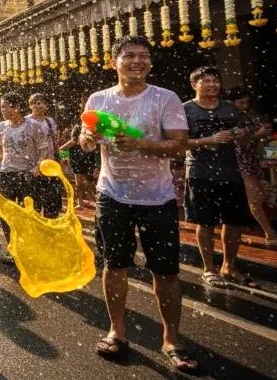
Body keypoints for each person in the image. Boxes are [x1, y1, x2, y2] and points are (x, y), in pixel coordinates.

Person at [79, 35, 198, 373]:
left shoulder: (165, 98)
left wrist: (141, 144)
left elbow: (179, 146)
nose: (137, 62)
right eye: (129, 56)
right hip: (112, 194)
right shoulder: (98, 99)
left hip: (157, 197)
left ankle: (171, 339)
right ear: (113, 61)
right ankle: (117, 330)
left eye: (143, 56)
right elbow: (87, 144)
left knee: (165, 271)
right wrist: (87, 140)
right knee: (115, 265)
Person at [183, 67, 257, 288]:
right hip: (200, 173)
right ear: (194, 85)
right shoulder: (185, 109)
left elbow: (245, 139)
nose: (213, 84)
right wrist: (210, 139)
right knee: (205, 222)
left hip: (230, 173)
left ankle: (229, 265)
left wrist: (242, 136)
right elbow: (178, 143)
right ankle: (208, 268)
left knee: (234, 222)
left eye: (216, 80)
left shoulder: (231, 108)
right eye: (206, 80)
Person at [0, 92, 52, 256]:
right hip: (6, 174)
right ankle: (12, 247)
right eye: (1, 106)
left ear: (16, 108)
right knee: (5, 212)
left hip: (27, 175)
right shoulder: (2, 126)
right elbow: (0, 151)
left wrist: (37, 168)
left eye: (5, 106)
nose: (2, 109)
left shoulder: (33, 126)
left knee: (29, 213)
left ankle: (30, 246)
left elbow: (44, 150)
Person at [226, 87, 277, 248]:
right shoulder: (230, 117)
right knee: (255, 199)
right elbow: (239, 141)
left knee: (258, 197)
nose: (245, 105)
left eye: (247, 102)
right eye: (241, 102)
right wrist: (257, 134)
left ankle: (266, 231)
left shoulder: (243, 115)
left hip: (250, 159)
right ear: (232, 102)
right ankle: (269, 233)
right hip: (240, 161)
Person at [60, 95, 99, 208]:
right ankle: (80, 202)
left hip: (88, 156)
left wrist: (63, 151)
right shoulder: (78, 126)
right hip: (77, 157)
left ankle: (95, 202)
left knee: (89, 182)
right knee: (80, 183)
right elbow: (72, 142)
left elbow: (69, 144)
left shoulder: (94, 125)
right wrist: (64, 157)